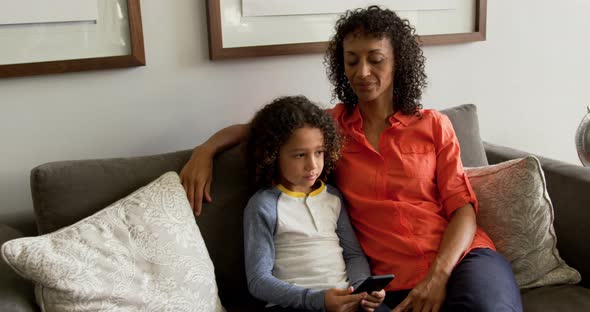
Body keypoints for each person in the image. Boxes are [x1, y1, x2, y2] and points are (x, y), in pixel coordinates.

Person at [180, 6, 522, 312]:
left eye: (375, 58)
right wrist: (205, 150)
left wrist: (439, 276)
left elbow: (462, 208)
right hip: (388, 280)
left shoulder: (433, 125)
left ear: (397, 61)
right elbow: (261, 128)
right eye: (352, 60)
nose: (362, 71)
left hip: (463, 259)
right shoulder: (329, 129)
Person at [243, 95, 387, 312]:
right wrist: (319, 300)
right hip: (295, 305)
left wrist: (361, 290)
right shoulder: (263, 205)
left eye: (319, 152)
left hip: (345, 300)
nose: (312, 165)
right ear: (272, 155)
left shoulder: (333, 198)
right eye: (300, 155)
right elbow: (258, 280)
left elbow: (354, 255)